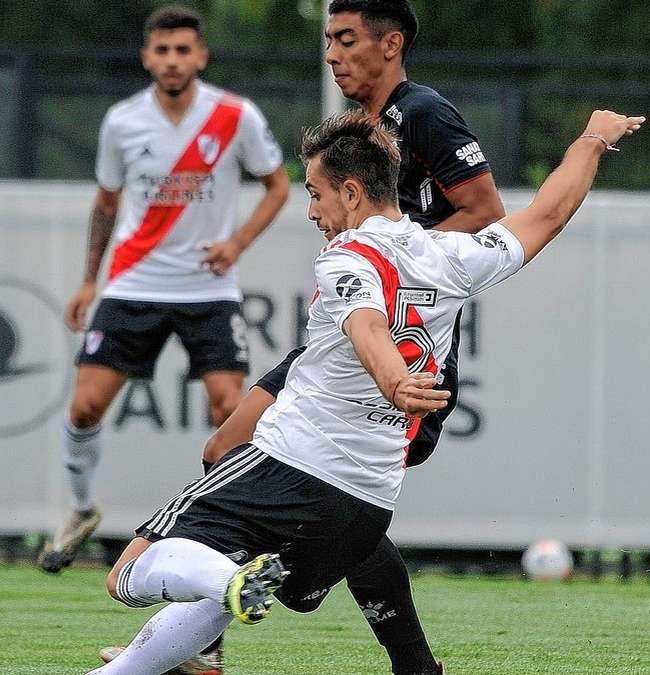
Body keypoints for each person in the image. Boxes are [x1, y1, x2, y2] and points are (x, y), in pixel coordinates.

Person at [86, 108, 644, 675]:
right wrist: (592, 139)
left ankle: (233, 580)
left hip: (290, 467)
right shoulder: (450, 256)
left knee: (129, 573)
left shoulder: (348, 256)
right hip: (367, 505)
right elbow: (547, 215)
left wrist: (394, 380)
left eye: (316, 193)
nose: (312, 211)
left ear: (351, 192)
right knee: (226, 586)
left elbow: (367, 324)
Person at [101, 2, 505, 672]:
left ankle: (412, 663)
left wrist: (397, 263)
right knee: (225, 444)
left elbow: (486, 210)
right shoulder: (358, 134)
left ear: (391, 43)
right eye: (328, 40)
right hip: (345, 339)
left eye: (347, 40)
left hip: (400, 351)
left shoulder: (423, 112)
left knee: (339, 503)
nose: (333, 54)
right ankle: (210, 632)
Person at [38, 4, 290, 574]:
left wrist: (238, 243)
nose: (173, 60)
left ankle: (223, 535)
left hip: (209, 289)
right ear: (146, 56)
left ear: (200, 56)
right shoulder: (123, 121)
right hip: (134, 282)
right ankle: (80, 510)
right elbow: (106, 203)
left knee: (231, 412)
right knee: (84, 408)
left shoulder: (234, 115)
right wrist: (88, 281)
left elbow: (278, 186)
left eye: (183, 50)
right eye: (162, 49)